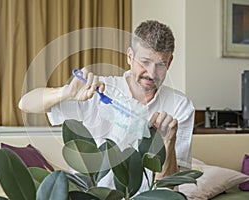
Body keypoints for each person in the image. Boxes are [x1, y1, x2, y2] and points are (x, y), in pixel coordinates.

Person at [19, 20, 194, 188]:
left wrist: (168, 141)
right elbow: (25, 103)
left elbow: (169, 188)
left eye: (160, 65)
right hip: (91, 193)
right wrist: (66, 92)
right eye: (145, 62)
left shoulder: (180, 106)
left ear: (169, 62)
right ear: (130, 57)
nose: (151, 73)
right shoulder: (96, 90)